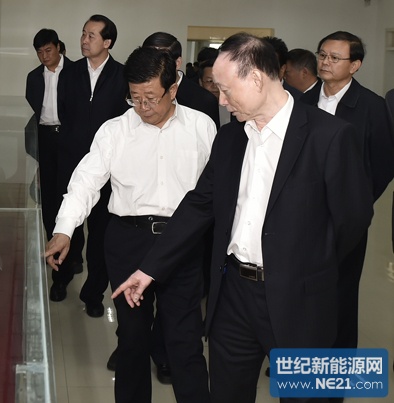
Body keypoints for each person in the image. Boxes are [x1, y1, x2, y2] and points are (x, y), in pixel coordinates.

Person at [112, 33, 374, 403]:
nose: (220, 100)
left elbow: (353, 221)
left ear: (255, 79)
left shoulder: (329, 136)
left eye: (225, 89)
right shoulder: (231, 138)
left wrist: (307, 272)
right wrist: (148, 270)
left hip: (299, 302)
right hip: (233, 296)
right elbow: (198, 206)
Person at [45, 47, 216, 403]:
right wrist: (64, 229)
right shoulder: (115, 130)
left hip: (182, 243)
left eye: (151, 97)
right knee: (132, 338)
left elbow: (216, 191)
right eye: (135, 98)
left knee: (185, 340)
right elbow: (85, 182)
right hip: (129, 241)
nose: (142, 106)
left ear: (173, 88)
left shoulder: (202, 126)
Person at [302, 31, 394, 358]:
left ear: (355, 65)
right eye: (322, 55)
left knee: (340, 293)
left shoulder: (371, 106)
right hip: (301, 215)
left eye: (334, 58)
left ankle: (337, 369)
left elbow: (383, 164)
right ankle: (300, 361)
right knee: (300, 291)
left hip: (345, 219)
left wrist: (356, 204)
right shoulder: (301, 102)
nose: (325, 62)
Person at [54, 14, 129, 316]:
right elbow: (64, 113)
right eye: (83, 34)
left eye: (91, 35)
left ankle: (94, 293)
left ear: (107, 42)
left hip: (109, 170)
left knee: (101, 235)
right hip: (71, 162)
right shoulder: (69, 73)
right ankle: (60, 278)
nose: (84, 40)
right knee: (67, 226)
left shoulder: (122, 75)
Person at [25, 28, 74, 273]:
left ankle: (73, 254)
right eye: (39, 52)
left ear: (58, 47)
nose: (44, 56)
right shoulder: (34, 77)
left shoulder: (75, 72)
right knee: (49, 196)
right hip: (45, 137)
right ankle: (51, 247)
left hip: (69, 137)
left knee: (71, 194)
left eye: (48, 50)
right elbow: (34, 103)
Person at [142, 32, 220, 128]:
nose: (152, 67)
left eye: (161, 61)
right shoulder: (134, 96)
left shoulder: (204, 100)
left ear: (178, 63)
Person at [198, 59, 231, 126]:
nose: (215, 86)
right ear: (201, 82)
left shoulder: (234, 107)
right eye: (210, 81)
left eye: (219, 81)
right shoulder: (194, 108)